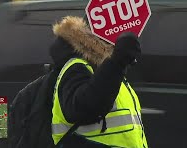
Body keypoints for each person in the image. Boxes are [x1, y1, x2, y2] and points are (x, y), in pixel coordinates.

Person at [50, 16, 148, 147]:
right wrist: (117, 62)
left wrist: (116, 64)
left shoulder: (107, 69)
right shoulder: (77, 67)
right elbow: (84, 108)